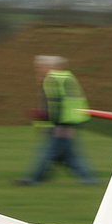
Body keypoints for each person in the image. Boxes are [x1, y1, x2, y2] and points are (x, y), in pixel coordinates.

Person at [16, 55, 95, 185]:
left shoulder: (57, 80)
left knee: (47, 154)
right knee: (70, 156)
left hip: (61, 125)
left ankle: (34, 179)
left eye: (42, 67)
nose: (39, 69)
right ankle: (89, 180)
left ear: (53, 67)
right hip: (61, 124)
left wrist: (60, 123)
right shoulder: (59, 79)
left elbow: (61, 105)